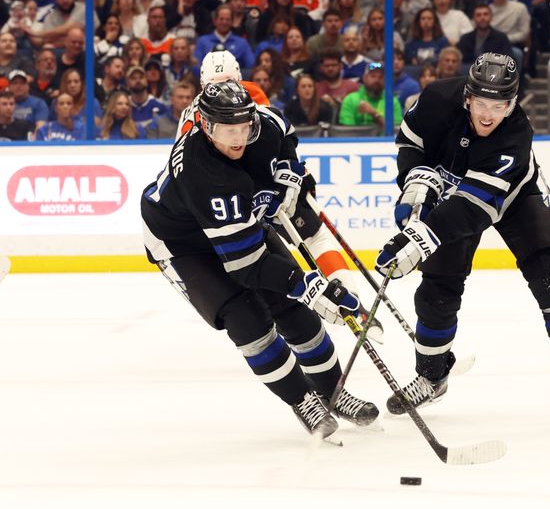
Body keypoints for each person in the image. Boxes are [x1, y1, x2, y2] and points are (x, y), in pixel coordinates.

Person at [375, 52, 550, 429]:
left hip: (514, 199)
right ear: (467, 96)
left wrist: (422, 237)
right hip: (453, 196)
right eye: (481, 103)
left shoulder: (516, 133)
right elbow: (409, 141)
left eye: (498, 106)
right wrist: (416, 179)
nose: (488, 115)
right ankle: (432, 377)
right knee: (437, 290)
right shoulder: (435, 98)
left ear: (512, 104)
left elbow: (475, 207)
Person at [139, 80, 378, 437]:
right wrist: (310, 285)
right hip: (184, 244)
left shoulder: (265, 124)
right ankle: (303, 400)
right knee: (247, 319)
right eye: (225, 130)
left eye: (243, 128)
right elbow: (246, 265)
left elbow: (285, 135)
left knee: (294, 312)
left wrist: (288, 168)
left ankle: (333, 392)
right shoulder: (202, 171)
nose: (237, 138)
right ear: (205, 126)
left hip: (240, 223)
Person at [176, 51, 383, 337]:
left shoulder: (217, 105)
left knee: (310, 236)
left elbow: (276, 134)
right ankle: (336, 307)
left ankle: (349, 301)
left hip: (251, 192)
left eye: (228, 81)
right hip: (245, 196)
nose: (226, 87)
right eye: (219, 82)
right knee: (284, 253)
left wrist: (290, 164)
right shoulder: (232, 101)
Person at [338, 61, 402, 128]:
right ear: (364, 78)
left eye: (380, 77)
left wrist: (374, 114)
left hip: (385, 138)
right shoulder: (350, 100)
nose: (377, 80)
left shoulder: (392, 101)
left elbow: (396, 131)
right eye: (373, 76)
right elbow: (347, 131)